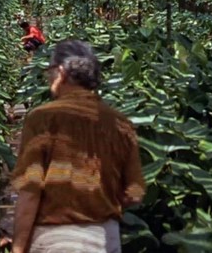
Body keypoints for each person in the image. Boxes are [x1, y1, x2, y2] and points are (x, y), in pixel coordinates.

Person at [11, 40, 146, 253]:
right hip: (105, 239)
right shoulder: (121, 124)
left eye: (51, 70)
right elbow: (134, 193)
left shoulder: (42, 118)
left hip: (55, 240)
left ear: (62, 72)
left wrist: (18, 248)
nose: (48, 76)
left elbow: (30, 190)